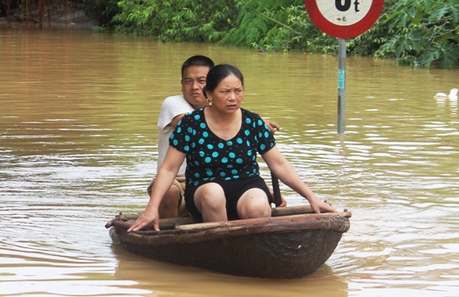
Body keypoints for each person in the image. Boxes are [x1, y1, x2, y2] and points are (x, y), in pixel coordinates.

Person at [131, 64, 335, 231]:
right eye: (225, 92)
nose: (232, 98)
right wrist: (152, 208)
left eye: (238, 91)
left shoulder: (253, 122)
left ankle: (252, 247)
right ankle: (221, 246)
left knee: (258, 205)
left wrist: (311, 198)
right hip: (204, 187)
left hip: (246, 184)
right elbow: (168, 169)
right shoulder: (191, 124)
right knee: (213, 193)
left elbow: (279, 165)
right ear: (209, 94)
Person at [150, 57, 281, 219]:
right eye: (188, 81)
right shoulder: (175, 106)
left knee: (253, 198)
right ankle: (166, 236)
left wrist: (261, 187)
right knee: (170, 191)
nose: (195, 87)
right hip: (179, 180)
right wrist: (257, 123)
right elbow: (198, 125)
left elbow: (234, 158)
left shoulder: (227, 109)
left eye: (201, 81)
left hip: (218, 177)